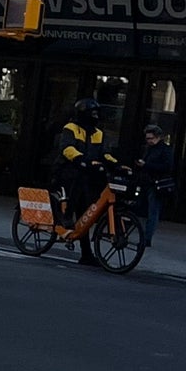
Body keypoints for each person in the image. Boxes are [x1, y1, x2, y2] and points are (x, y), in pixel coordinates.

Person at [51, 95, 108, 264]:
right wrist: (80, 159)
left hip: (86, 173)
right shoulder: (71, 128)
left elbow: (104, 153)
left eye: (97, 113)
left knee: (86, 214)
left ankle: (86, 254)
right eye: (92, 113)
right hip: (67, 170)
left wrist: (116, 163)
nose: (95, 116)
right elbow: (67, 148)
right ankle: (66, 217)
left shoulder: (98, 133)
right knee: (74, 184)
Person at [137, 123, 175, 245]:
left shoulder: (164, 150)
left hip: (156, 183)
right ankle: (145, 236)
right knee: (146, 210)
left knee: (152, 212)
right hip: (148, 182)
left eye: (151, 138)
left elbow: (167, 167)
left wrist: (146, 165)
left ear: (158, 137)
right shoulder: (151, 149)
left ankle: (147, 238)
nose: (149, 141)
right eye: (147, 138)